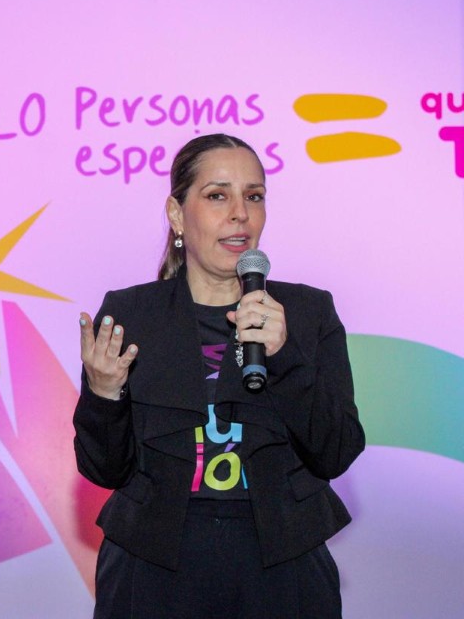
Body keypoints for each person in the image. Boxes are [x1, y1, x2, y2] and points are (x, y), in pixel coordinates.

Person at [74, 134, 364, 618]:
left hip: (282, 562)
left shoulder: (307, 313)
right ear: (176, 213)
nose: (240, 214)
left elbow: (335, 451)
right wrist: (105, 395)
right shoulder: (130, 314)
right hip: (153, 564)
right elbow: (104, 470)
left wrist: (284, 356)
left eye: (254, 196)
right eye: (217, 195)